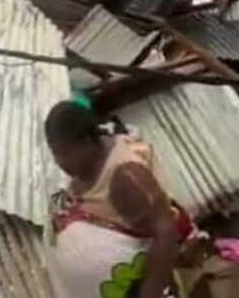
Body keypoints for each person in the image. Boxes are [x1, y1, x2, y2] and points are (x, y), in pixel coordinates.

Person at [43, 101, 193, 298]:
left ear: (87, 141)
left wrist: (149, 294)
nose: (60, 162)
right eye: (55, 154)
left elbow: (166, 232)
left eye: (65, 154)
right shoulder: (83, 167)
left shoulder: (126, 177)